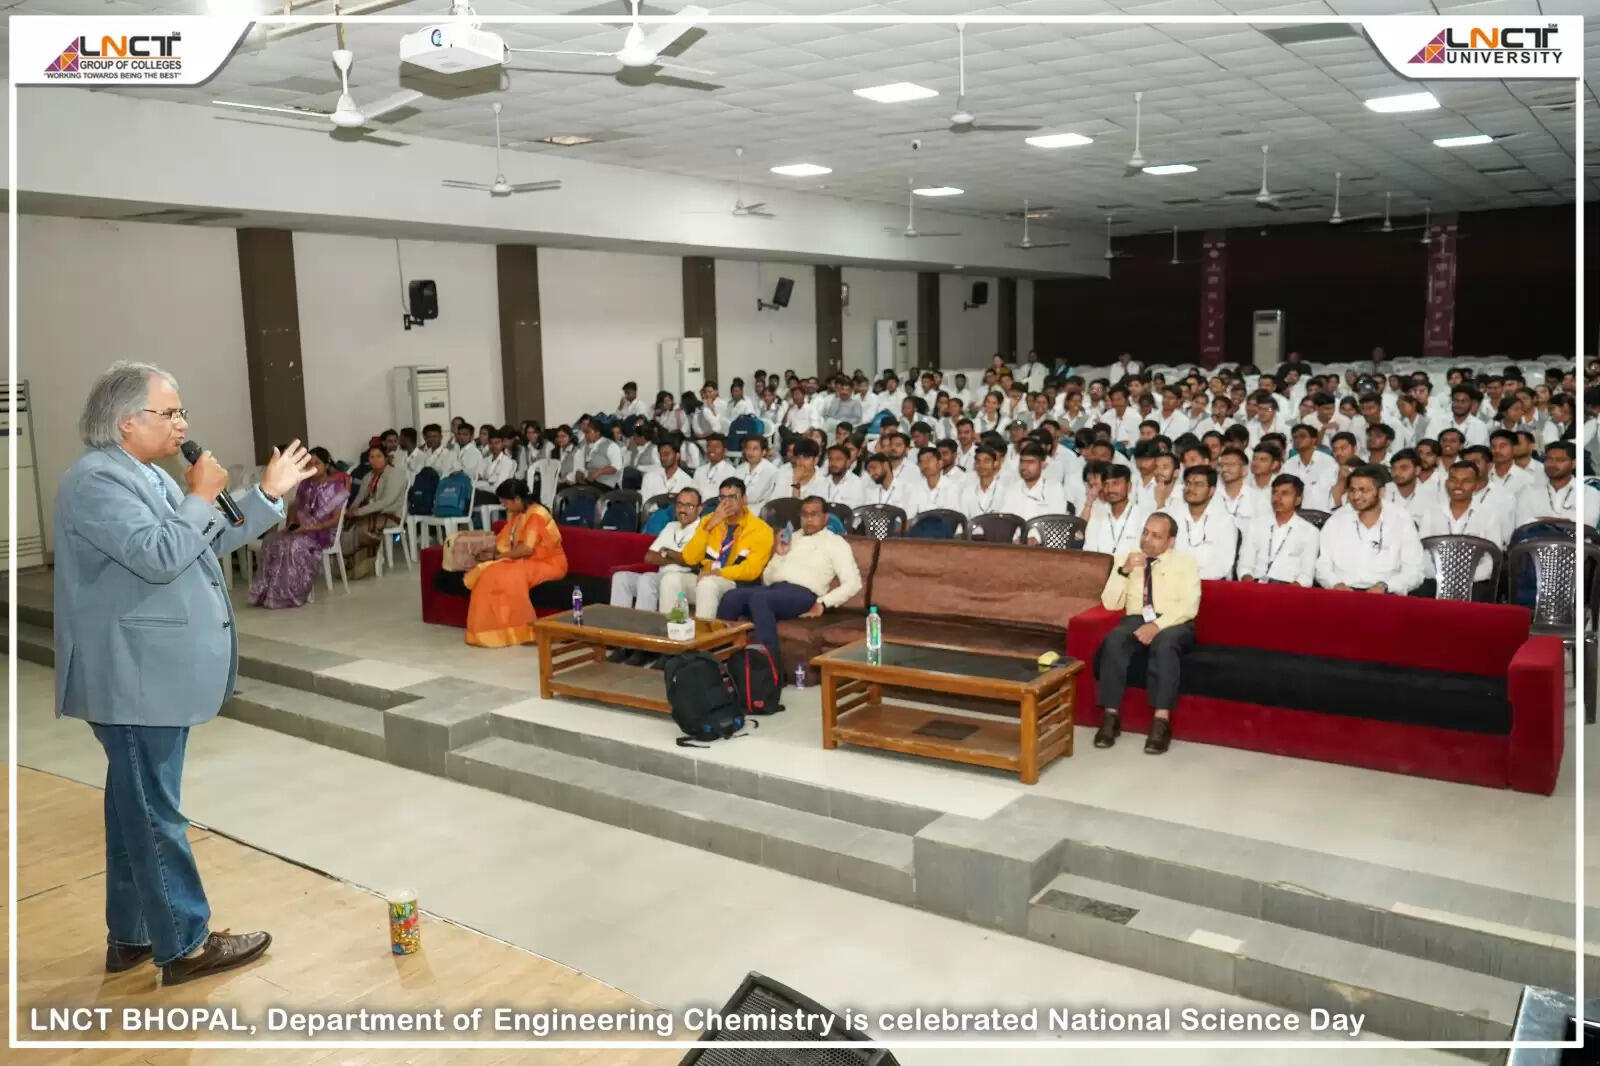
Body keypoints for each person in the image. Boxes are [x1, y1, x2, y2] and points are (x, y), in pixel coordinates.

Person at [54, 361, 314, 985]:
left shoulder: (145, 473)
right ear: (126, 421)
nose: (182, 424)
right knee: (154, 812)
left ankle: (134, 936)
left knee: (134, 807)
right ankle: (187, 944)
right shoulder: (97, 481)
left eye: (181, 411)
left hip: (149, 672)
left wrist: (266, 495)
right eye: (168, 412)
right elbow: (160, 554)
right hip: (133, 674)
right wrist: (198, 495)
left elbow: (205, 539)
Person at [1093, 513, 1202, 755]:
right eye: (1145, 532)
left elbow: (1189, 607)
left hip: (1174, 621)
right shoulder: (1126, 558)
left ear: (1170, 541)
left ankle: (1161, 722)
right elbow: (1110, 603)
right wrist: (1124, 571)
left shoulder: (1185, 563)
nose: (1147, 539)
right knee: (1114, 640)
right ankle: (1110, 717)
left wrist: (1157, 626)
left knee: (1164, 644)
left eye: (1156, 536)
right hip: (1136, 618)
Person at [717, 496, 863, 678]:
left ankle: (770, 671)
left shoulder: (836, 543)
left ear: (826, 518)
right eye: (804, 515)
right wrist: (779, 555)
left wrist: (823, 603)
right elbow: (767, 579)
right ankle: (720, 663)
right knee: (731, 596)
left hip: (803, 594)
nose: (809, 519)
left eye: (814, 514)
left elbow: (853, 583)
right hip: (775, 590)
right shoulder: (791, 537)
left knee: (760, 599)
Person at [451, 478, 568, 648]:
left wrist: (498, 558)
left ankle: (525, 631)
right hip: (525, 561)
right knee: (492, 573)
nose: (504, 506)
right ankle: (494, 632)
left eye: (505, 502)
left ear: (517, 499)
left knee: (508, 574)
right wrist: (490, 553)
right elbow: (505, 541)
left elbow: (526, 549)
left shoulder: (537, 514)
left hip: (549, 563)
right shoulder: (517, 514)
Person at [247, 447, 345, 609]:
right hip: (301, 529)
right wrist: (291, 525)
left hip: (321, 532)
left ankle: (289, 595)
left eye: (317, 463)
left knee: (293, 545)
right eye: (309, 464)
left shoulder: (336, 487)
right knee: (271, 540)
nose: (313, 467)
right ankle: (266, 593)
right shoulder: (305, 484)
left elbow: (334, 520)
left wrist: (309, 528)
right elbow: (295, 506)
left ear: (327, 465)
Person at [668, 477, 775, 620]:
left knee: (708, 584)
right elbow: (689, 558)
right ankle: (667, 630)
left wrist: (718, 573)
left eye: (732, 497)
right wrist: (709, 527)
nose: (726, 502)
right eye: (723, 498)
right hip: (705, 578)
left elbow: (751, 570)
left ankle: (704, 633)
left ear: (744, 500)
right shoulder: (709, 520)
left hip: (736, 585)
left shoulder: (762, 530)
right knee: (671, 579)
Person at [1314, 465, 1424, 594]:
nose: (1356, 496)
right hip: (1343, 593)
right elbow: (1322, 565)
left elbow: (1414, 571)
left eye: (1364, 490)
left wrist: (1386, 586)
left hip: (1386, 593)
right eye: (1352, 490)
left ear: (1381, 492)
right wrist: (1335, 584)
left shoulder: (1401, 519)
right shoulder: (1337, 519)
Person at [1416, 462, 1510, 599]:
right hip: (1435, 579)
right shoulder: (1431, 513)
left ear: (1476, 485)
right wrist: (1442, 576)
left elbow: (1491, 559)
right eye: (1453, 480)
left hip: (1474, 582)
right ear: (1446, 483)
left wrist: (1463, 578)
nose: (1458, 486)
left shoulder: (1490, 515)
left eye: (1466, 481)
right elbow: (1422, 554)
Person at [612, 488, 701, 631]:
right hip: (661, 575)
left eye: (689, 506)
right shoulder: (671, 526)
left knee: (647, 579)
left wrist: (666, 552)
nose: (683, 510)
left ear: (699, 509)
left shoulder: (702, 529)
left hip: (683, 578)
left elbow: (691, 561)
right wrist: (676, 556)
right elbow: (649, 557)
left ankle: (643, 633)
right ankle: (618, 631)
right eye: (679, 505)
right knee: (621, 577)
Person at [1238, 474, 1318, 586]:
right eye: (1275, 492)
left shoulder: (1310, 532)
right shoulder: (1256, 525)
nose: (1277, 498)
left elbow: (1306, 576)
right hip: (1256, 585)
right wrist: (1249, 583)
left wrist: (1286, 592)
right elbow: (1244, 565)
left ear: (1298, 500)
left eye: (1285, 493)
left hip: (1289, 589)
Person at [343, 444, 407, 577]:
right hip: (372, 513)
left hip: (390, 514)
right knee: (348, 525)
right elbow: (359, 498)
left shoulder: (396, 474)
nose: (375, 460)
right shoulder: (369, 476)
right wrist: (351, 511)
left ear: (386, 458)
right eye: (371, 457)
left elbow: (387, 501)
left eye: (379, 456)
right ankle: (350, 565)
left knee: (362, 527)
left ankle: (365, 565)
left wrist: (360, 511)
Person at [1168, 466, 1238, 580]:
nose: (1191, 488)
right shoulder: (1172, 515)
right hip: (1175, 580)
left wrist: (1191, 578)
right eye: (1188, 483)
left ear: (1211, 491)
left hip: (1211, 583)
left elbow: (1224, 565)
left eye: (1198, 485)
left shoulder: (1224, 521)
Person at [1083, 464, 1149, 556]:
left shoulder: (1144, 517)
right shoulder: (1097, 516)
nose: (1110, 489)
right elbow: (1089, 551)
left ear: (1129, 486)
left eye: (1116, 484)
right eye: (1106, 484)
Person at [1515, 441, 1578, 526]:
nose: (1552, 464)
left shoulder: (1590, 494)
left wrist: (1540, 520)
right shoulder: (1528, 492)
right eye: (1549, 459)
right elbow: (1522, 525)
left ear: (1574, 463)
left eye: (1559, 460)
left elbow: (1586, 526)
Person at [471, 427, 518, 509]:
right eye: (491, 443)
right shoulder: (485, 460)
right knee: (468, 493)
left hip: (498, 496)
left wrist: (482, 484)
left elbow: (498, 487)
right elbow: (474, 479)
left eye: (497, 442)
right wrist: (487, 483)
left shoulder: (507, 462)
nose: (494, 446)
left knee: (473, 495)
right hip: (482, 493)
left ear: (502, 443)